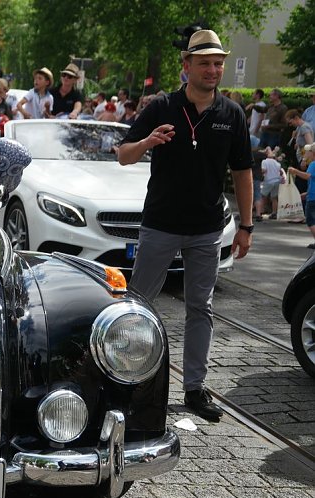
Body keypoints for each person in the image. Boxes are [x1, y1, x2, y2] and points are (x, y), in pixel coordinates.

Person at [117, 29, 253, 422]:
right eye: (205, 62)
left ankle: (194, 388)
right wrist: (148, 143)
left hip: (207, 228)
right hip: (160, 223)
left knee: (201, 308)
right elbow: (123, 155)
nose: (213, 69)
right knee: (138, 304)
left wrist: (247, 226)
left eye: (218, 63)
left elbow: (242, 172)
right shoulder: (161, 107)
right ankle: (127, 381)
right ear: (186, 66)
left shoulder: (232, 114)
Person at [289, 144, 315, 248]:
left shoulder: (313, 164)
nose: (306, 154)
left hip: (313, 198)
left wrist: (295, 171)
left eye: (307, 152)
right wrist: (307, 193)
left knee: (310, 220)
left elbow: (308, 176)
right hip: (311, 194)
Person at [261, 147, 283, 219]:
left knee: (262, 196)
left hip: (268, 181)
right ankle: (274, 213)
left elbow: (264, 170)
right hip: (277, 181)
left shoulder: (264, 161)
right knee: (274, 198)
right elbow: (281, 172)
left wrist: (260, 173)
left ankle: (260, 211)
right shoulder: (277, 163)